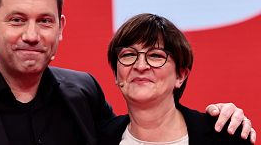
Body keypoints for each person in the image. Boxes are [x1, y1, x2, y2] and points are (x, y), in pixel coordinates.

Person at [0, 0, 255, 144]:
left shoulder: (82, 95)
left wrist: (227, 114)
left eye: (45, 21)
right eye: (17, 20)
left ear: (61, 27)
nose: (32, 36)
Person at [101, 13, 255, 144]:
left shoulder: (224, 136)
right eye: (128, 55)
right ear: (116, 74)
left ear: (180, 75)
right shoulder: (97, 137)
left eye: (155, 55)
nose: (140, 66)